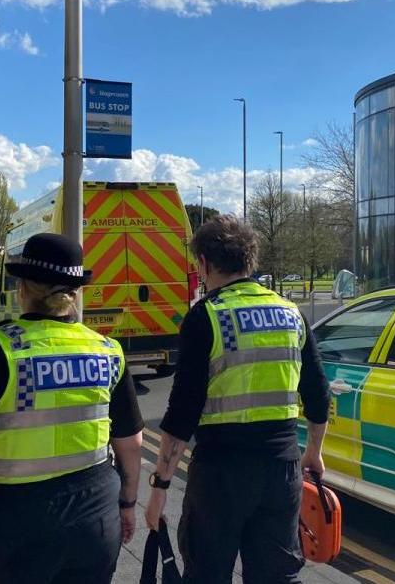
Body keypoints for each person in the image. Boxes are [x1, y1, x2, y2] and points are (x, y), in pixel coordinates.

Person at [0, 233, 144, 584]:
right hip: (95, 516)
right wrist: (127, 505)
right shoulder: (107, 351)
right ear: (75, 294)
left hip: (16, 525)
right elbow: (132, 444)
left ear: (22, 288)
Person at [144, 215, 331, 583]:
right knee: (276, 575)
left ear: (205, 263)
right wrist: (314, 452)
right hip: (281, 469)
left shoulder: (207, 317)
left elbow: (181, 415)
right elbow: (318, 395)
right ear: (250, 261)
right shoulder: (291, 314)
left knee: (208, 573)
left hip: (220, 474)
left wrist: (160, 488)